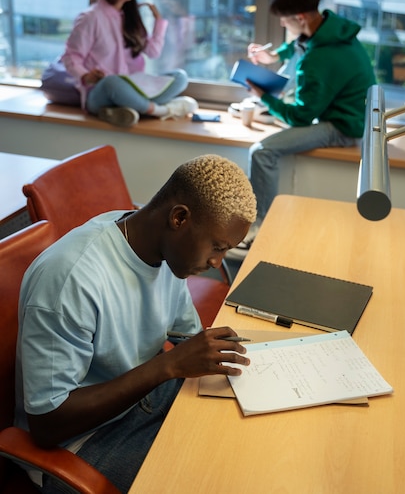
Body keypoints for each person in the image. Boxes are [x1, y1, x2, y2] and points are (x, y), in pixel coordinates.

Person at [14, 154, 257, 494]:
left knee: (247, 446)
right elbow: (47, 425)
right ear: (179, 218)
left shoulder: (165, 252)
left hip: (144, 399)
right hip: (84, 444)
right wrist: (168, 366)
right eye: (216, 248)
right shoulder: (72, 278)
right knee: (212, 477)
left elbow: (184, 336)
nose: (216, 262)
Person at [229, 0, 376, 259]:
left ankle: (259, 228)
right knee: (272, 118)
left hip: (343, 126)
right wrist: (273, 56)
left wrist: (264, 97)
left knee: (262, 151)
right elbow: (300, 45)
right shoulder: (333, 28)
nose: (283, 25)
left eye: (284, 21)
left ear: (300, 18)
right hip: (352, 113)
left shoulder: (319, 59)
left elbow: (300, 117)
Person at [61, 0, 198, 127]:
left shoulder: (131, 18)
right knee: (112, 82)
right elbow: (71, 56)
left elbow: (153, 52)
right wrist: (86, 76)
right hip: (100, 93)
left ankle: (127, 109)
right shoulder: (91, 17)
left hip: (132, 87)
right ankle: (161, 111)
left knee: (180, 77)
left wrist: (159, 22)